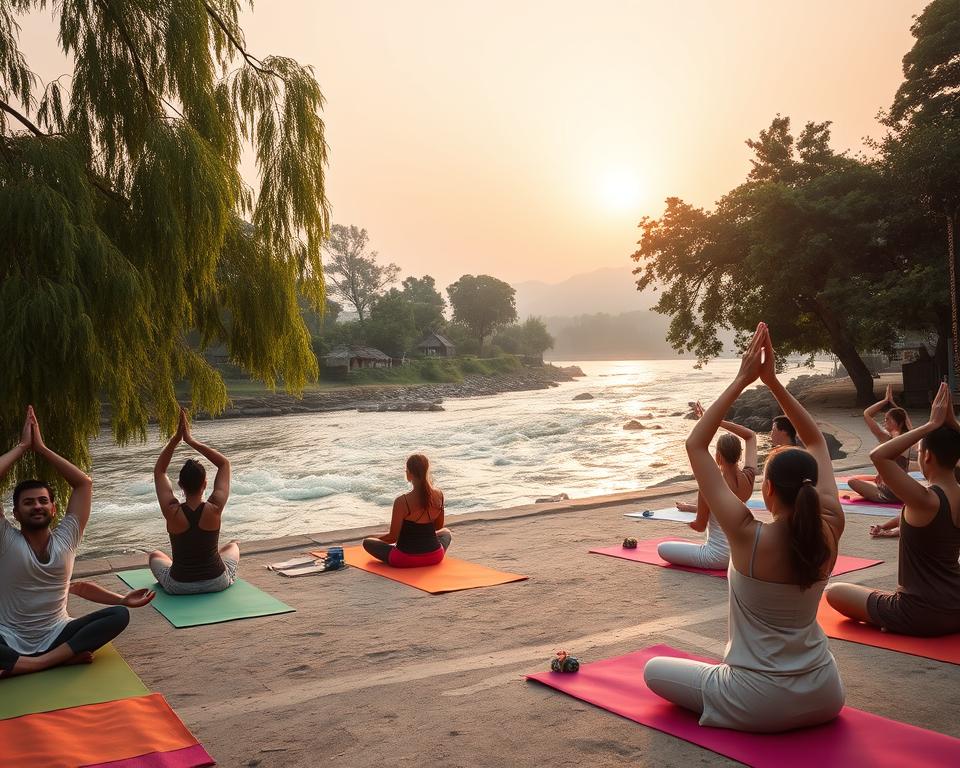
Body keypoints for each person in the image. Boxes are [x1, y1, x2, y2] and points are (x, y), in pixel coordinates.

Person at [644, 323, 846, 732]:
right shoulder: (832, 526)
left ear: (767, 489)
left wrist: (744, 379)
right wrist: (774, 383)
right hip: (826, 694)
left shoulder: (746, 534)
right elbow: (818, 443)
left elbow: (695, 445)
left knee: (654, 669)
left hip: (758, 702)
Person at [0, 407, 154, 678]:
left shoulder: (67, 538)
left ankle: (31, 664)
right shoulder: (5, 539)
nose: (36, 506)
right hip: (8, 638)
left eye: (42, 501)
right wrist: (23, 447)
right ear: (15, 513)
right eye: (28, 502)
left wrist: (43, 449)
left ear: (54, 509)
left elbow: (83, 484)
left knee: (118, 615)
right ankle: (51, 661)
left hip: (57, 634)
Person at [825, 382, 960, 637]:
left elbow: (879, 456)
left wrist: (930, 426)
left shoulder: (925, 499)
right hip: (957, 606)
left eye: (920, 451)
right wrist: (952, 425)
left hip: (921, 614)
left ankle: (891, 617)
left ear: (927, 456)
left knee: (834, 592)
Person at [149, 408, 238, 594]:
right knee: (232, 546)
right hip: (217, 582)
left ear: (180, 484)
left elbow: (160, 471)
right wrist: (191, 441)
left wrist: (175, 440)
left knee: (155, 555)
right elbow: (224, 464)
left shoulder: (171, 511)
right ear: (205, 484)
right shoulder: (214, 508)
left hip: (179, 585)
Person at [663, 402, 756, 569]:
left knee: (662, 549)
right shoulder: (749, 478)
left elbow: (699, 526)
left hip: (718, 557)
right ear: (739, 454)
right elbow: (750, 435)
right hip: (742, 555)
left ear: (718, 455)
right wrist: (717, 421)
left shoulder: (709, 485)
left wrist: (682, 520)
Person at [362, 454, 452, 567]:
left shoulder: (402, 501)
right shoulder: (439, 495)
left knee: (367, 542)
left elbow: (392, 538)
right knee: (446, 532)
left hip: (404, 559)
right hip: (434, 557)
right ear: (427, 471)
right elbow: (439, 527)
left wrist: (374, 538)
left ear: (409, 474)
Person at [848, 385, 912, 505]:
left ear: (898, 423)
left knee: (852, 481)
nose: (884, 422)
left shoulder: (891, 439)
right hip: (903, 490)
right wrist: (889, 401)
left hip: (889, 493)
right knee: (863, 478)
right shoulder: (907, 437)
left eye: (888, 419)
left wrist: (886, 401)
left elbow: (867, 414)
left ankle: (879, 493)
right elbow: (867, 414)